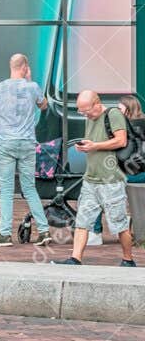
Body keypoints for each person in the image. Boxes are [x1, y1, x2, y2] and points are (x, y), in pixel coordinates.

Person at [0, 53, 51, 246]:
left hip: (6, 143)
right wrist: (30, 81)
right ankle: (44, 230)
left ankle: (4, 234)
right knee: (29, 188)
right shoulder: (33, 88)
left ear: (11, 66)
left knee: (6, 190)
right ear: (25, 67)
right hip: (26, 143)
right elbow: (44, 106)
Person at [55, 90, 134, 268]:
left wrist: (95, 146)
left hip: (111, 180)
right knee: (82, 221)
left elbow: (121, 141)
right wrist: (84, 145)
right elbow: (93, 141)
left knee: (119, 224)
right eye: (81, 112)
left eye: (86, 111)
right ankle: (75, 258)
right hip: (91, 179)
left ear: (97, 104)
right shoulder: (90, 118)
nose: (84, 115)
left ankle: (128, 259)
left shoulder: (113, 115)